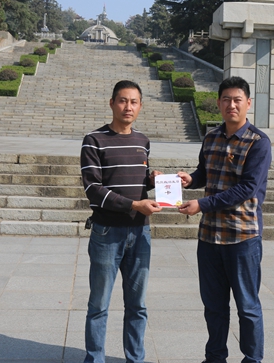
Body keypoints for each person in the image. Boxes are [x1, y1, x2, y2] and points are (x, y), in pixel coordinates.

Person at [177, 76, 272, 363]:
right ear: (218, 103)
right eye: (226, 99)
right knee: (214, 306)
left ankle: (252, 359)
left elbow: (247, 189)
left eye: (237, 100)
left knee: (247, 306)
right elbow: (205, 173)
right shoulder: (211, 138)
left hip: (242, 237)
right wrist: (190, 179)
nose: (232, 105)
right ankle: (215, 357)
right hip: (209, 237)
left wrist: (202, 204)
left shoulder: (258, 143)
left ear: (248, 104)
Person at [80, 80, 162, 363]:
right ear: (112, 103)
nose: (128, 107)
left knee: (137, 305)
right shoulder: (94, 140)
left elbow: (137, 181)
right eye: (123, 100)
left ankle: (135, 359)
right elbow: (93, 188)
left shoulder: (143, 141)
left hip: (140, 233)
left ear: (140, 106)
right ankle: (95, 359)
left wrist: (153, 181)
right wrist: (134, 205)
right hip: (107, 233)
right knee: (99, 304)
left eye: (134, 102)